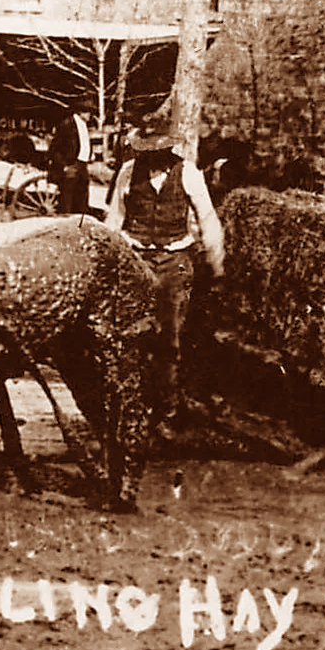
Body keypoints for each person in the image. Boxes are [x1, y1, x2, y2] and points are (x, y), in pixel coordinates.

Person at [104, 129, 225, 430]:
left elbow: (207, 218)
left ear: (168, 150)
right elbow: (115, 219)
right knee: (129, 336)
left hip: (175, 261)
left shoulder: (189, 174)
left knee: (169, 338)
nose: (151, 158)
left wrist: (216, 263)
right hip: (136, 258)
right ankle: (128, 407)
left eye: (157, 152)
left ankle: (166, 410)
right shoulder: (128, 172)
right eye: (145, 151)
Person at [48, 109, 97, 217]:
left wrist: (89, 154)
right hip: (70, 164)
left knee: (82, 195)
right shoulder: (67, 124)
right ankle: (66, 223)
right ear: (81, 111)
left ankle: (79, 223)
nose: (90, 115)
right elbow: (54, 148)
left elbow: (83, 143)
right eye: (89, 112)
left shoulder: (84, 125)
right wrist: (64, 165)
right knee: (67, 197)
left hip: (82, 164)